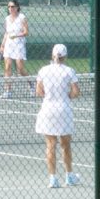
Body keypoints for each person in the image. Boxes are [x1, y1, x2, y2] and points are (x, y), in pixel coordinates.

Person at [34, 42, 81, 188]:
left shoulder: (43, 70)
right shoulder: (69, 71)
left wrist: (50, 95)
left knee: (50, 145)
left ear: (52, 55)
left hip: (47, 110)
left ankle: (53, 179)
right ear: (65, 56)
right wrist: (66, 95)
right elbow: (75, 92)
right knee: (66, 145)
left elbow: (39, 91)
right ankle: (69, 176)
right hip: (63, 110)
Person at [0, 1, 29, 96]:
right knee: (7, 67)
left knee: (20, 69)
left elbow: (26, 32)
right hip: (9, 45)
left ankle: (31, 85)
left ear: (17, 7)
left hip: (19, 45)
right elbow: (7, 33)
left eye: (13, 6)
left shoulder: (22, 17)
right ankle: (8, 91)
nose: (10, 8)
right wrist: (2, 45)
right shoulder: (7, 19)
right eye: (9, 7)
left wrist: (16, 36)